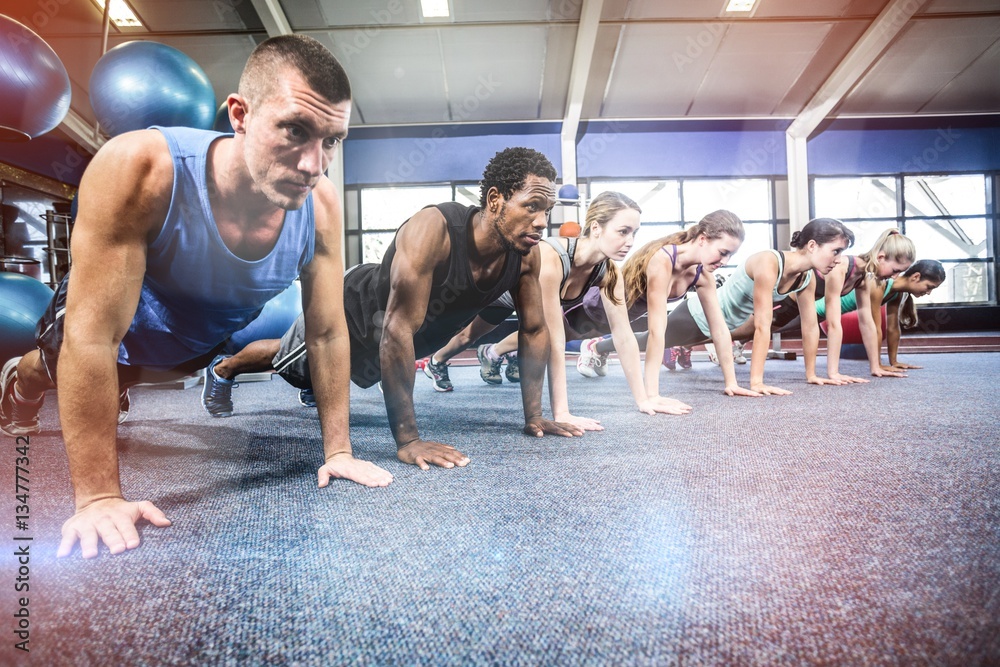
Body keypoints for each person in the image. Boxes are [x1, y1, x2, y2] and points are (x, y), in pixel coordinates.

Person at [0, 36, 391, 559]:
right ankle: (18, 381)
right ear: (240, 114)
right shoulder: (142, 167)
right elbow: (92, 337)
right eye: (295, 130)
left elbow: (325, 331)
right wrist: (97, 497)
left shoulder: (319, 207)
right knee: (57, 367)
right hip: (108, 324)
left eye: (331, 140)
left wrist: (338, 450)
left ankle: (111, 385)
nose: (312, 164)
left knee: (128, 379)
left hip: (194, 343)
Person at [207, 148, 584, 467]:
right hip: (355, 313)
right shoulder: (433, 230)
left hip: (396, 337)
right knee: (288, 363)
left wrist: (535, 417)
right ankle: (224, 370)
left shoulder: (526, 257)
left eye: (547, 210)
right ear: (495, 199)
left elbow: (534, 330)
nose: (541, 222)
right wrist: (408, 440)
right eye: (532, 207)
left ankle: (321, 384)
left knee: (336, 376)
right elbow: (397, 327)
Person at [425, 191, 693, 430]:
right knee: (462, 337)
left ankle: (444, 359)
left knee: (471, 336)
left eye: (634, 232)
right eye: (623, 231)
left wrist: (646, 398)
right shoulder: (553, 259)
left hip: (513, 300)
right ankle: (435, 361)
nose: (631, 241)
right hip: (487, 290)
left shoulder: (609, 272)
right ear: (596, 228)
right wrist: (562, 412)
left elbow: (623, 335)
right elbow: (554, 340)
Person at [573, 210, 761, 401]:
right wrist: (653, 395)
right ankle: (593, 346)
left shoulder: (702, 276)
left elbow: (719, 330)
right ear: (703, 239)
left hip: (621, 320)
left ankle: (596, 346)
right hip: (587, 310)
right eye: (723, 253)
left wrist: (731, 383)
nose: (725, 261)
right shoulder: (663, 260)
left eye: (730, 255)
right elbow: (656, 332)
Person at [734, 226, 916, 383]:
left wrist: (875, 366)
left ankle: (721, 339)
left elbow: (867, 321)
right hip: (785, 305)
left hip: (803, 308)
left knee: (736, 333)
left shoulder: (864, 277)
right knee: (736, 332)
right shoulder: (841, 267)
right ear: (881, 257)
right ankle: (715, 338)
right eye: (895, 271)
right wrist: (833, 372)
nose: (894, 277)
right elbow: (834, 324)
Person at [835, 259, 945, 371]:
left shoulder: (898, 293)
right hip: (822, 309)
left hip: (834, 312)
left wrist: (894, 362)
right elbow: (874, 328)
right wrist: (877, 365)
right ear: (916, 277)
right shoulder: (880, 283)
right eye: (929, 287)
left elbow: (892, 328)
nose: (929, 292)